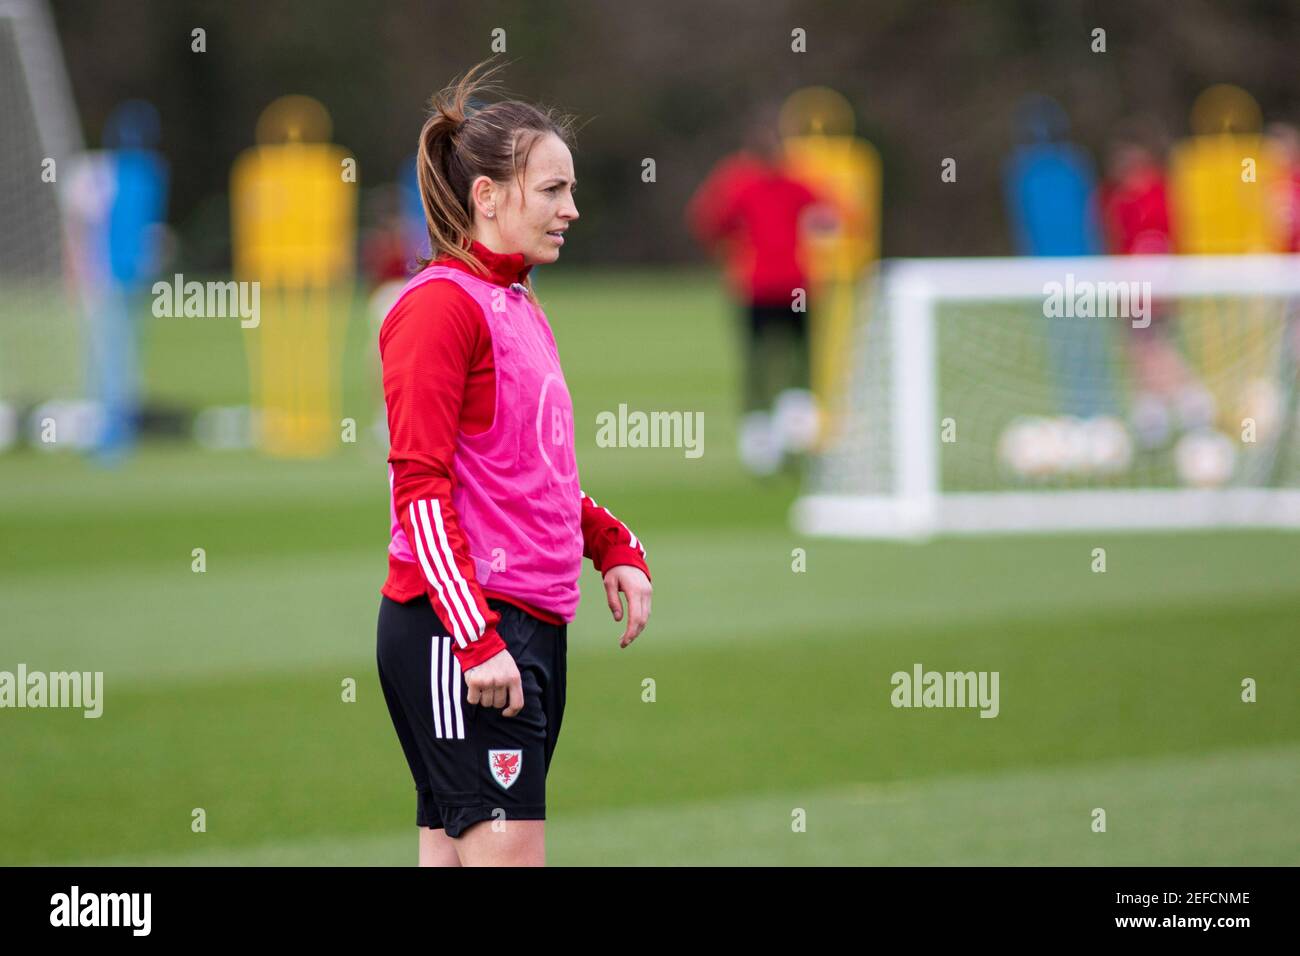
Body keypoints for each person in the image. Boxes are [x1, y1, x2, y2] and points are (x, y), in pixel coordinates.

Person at [376, 60, 652, 867]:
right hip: (461, 626)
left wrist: (609, 544)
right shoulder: (438, 306)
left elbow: (533, 475)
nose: (572, 209)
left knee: (454, 855)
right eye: (552, 190)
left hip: (524, 624)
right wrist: (474, 638)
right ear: (488, 197)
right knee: (506, 856)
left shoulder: (521, 304)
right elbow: (418, 490)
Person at [687, 110, 829, 475]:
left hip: (777, 284)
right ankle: (776, 440)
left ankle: (779, 439)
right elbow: (709, 220)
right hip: (770, 285)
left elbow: (707, 222)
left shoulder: (748, 179)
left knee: (775, 365)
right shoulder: (745, 180)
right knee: (775, 365)